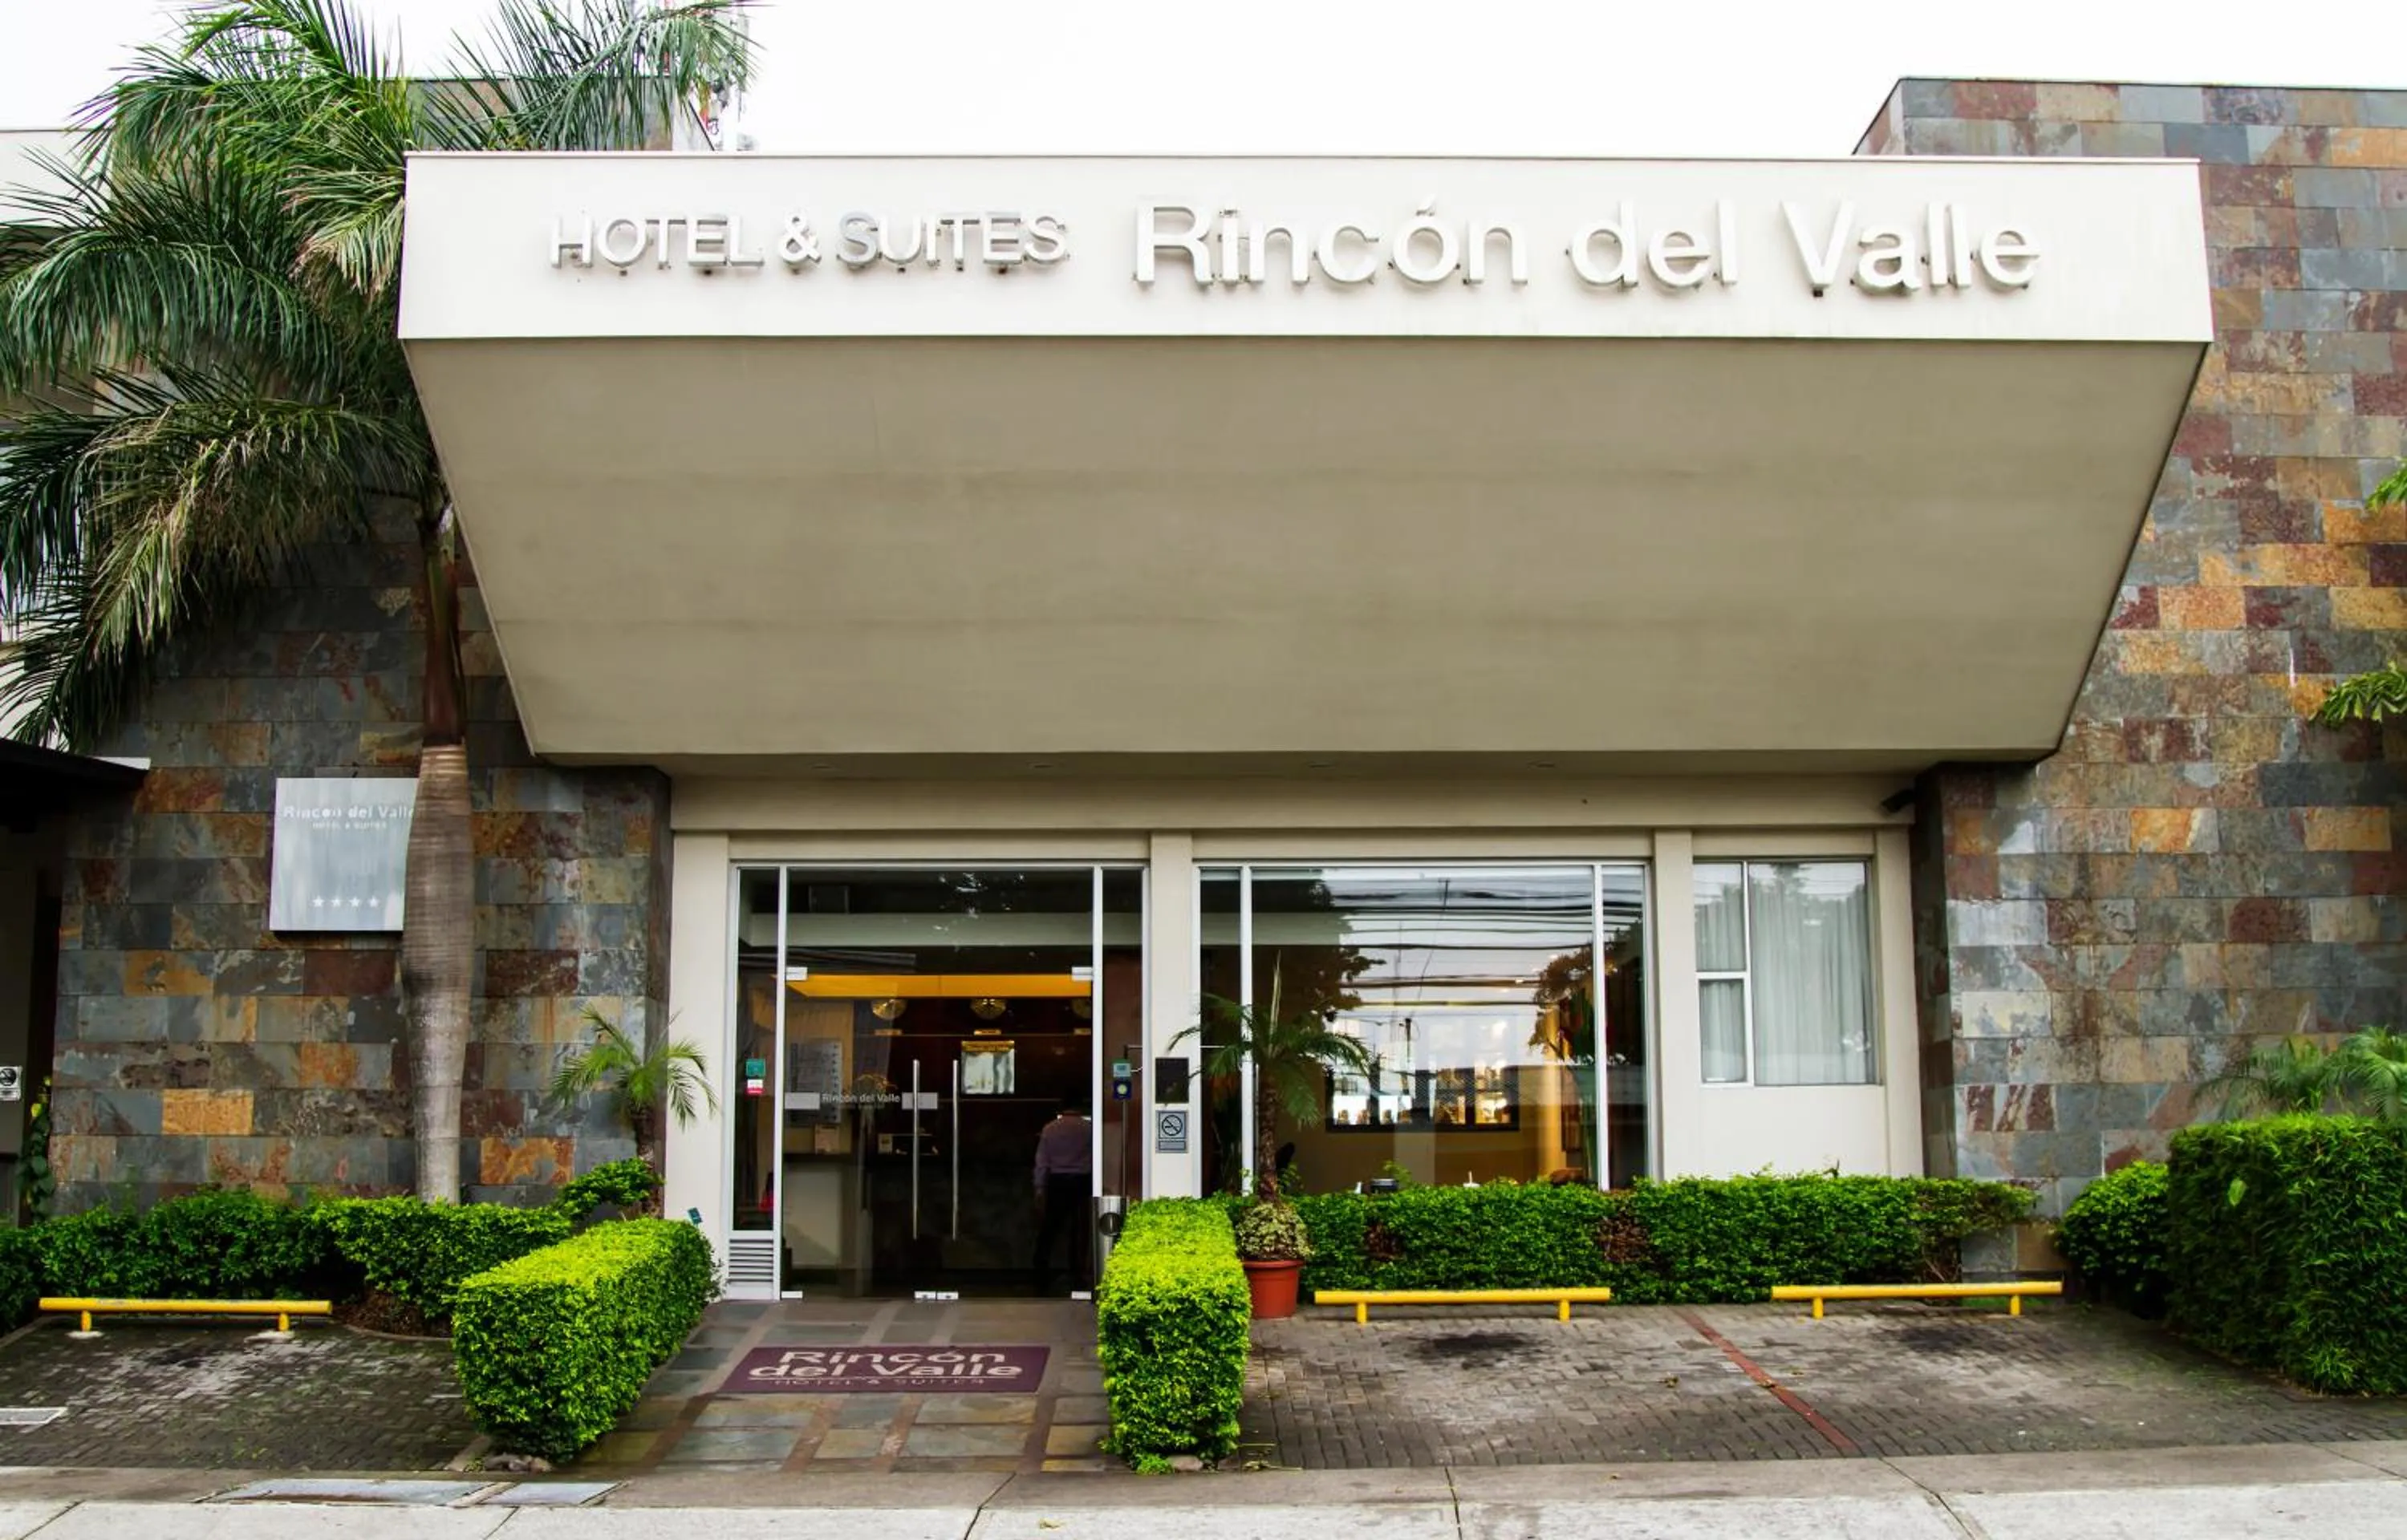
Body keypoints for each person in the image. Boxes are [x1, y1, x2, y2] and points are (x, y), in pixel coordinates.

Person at [1032, 1098, 1094, 1294]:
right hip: (1082, 1181)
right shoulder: (1089, 1128)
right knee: (1079, 1230)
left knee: (1049, 1229)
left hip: (1057, 1182)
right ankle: (1077, 1273)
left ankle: (1040, 1272)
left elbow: (1042, 1161)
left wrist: (1039, 1187)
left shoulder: (1050, 1128)